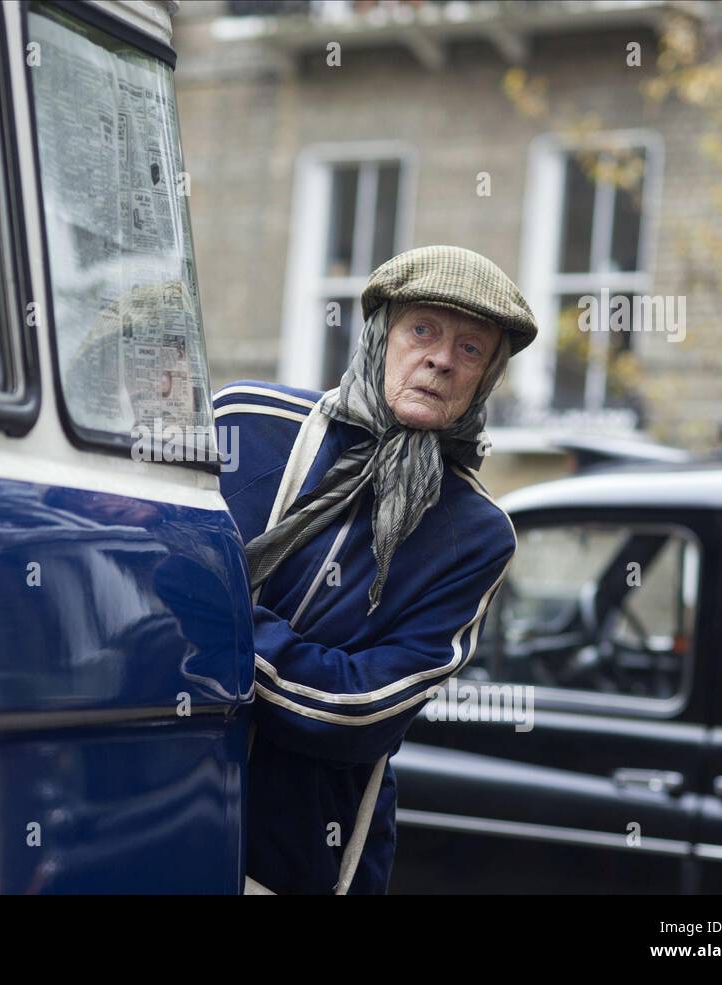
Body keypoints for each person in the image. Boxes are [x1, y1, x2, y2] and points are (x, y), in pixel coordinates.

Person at [213, 245, 539, 894]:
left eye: (471, 349)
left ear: (485, 379)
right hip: (155, 808)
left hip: (299, 857)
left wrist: (217, 621)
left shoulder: (474, 534)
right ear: (379, 335)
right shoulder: (246, 423)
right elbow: (138, 571)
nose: (442, 358)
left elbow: (357, 709)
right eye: (422, 329)